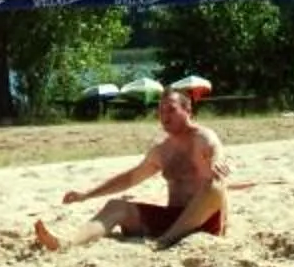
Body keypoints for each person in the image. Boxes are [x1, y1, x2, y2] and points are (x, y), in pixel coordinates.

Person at [34, 87, 230, 251]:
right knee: (115, 206)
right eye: (161, 111)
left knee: (215, 187)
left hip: (203, 223)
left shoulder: (202, 137)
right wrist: (86, 195)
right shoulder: (162, 150)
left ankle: (165, 241)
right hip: (172, 220)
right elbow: (130, 178)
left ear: (188, 110)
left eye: (171, 110)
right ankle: (68, 244)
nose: (164, 116)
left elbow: (215, 149)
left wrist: (216, 161)